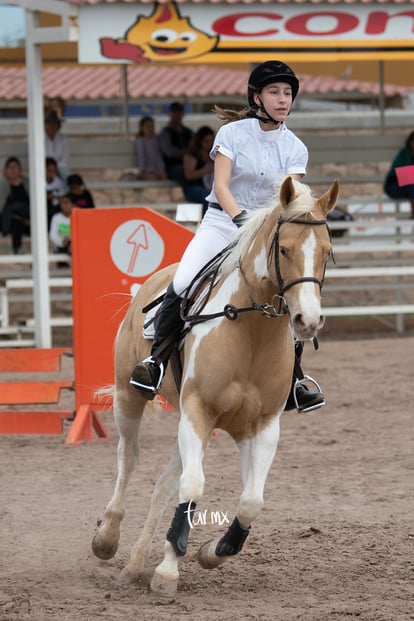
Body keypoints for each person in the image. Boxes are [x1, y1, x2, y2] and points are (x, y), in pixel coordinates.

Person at [129, 60, 325, 414]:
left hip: (266, 235)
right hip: (222, 224)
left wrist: (266, 230)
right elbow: (220, 186)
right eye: (274, 92)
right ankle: (156, 363)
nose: (283, 100)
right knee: (185, 279)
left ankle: (295, 379)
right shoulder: (231, 135)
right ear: (256, 97)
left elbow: (291, 198)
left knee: (290, 292)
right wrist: (240, 219)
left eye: (287, 93)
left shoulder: (296, 147)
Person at [182, 125, 215, 216]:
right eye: (206, 141)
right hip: (194, 187)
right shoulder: (192, 155)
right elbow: (189, 175)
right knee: (205, 198)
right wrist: (206, 170)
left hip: (211, 186)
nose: (209, 144)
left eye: (211, 141)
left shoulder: (214, 154)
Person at [0, 156, 30, 254]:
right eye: (9, 167)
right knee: (16, 222)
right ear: (5, 170)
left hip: (27, 216)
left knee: (17, 207)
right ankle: (17, 249)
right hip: (10, 219)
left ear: (20, 170)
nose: (12, 170)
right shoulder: (2, 184)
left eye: (15, 167)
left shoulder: (27, 183)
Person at [159, 102, 193, 184]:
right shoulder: (165, 132)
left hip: (190, 164)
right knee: (185, 173)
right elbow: (169, 152)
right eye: (175, 112)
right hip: (173, 166)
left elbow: (194, 147)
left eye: (179, 112)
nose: (177, 115)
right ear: (170, 114)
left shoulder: (188, 131)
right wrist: (183, 152)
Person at [384, 131, 414, 218]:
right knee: (412, 183)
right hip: (395, 186)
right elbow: (401, 175)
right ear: (410, 142)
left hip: (410, 189)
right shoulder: (404, 153)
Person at [135, 116, 167, 180]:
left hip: (158, 167)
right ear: (142, 128)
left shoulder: (157, 138)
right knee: (154, 178)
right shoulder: (141, 141)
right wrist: (142, 170)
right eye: (148, 127)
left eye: (152, 126)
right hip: (147, 168)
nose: (151, 129)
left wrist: (162, 169)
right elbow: (142, 156)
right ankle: (141, 176)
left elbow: (159, 155)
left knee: (164, 176)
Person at [44, 109, 70, 183]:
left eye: (54, 123)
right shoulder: (40, 139)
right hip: (44, 168)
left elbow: (64, 158)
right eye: (49, 123)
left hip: (59, 168)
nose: (51, 126)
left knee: (66, 175)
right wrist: (49, 169)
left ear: (58, 125)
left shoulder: (63, 139)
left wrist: (55, 169)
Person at [49, 193, 73, 262]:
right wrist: (61, 241)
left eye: (66, 203)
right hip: (60, 246)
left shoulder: (76, 217)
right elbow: (52, 235)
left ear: (72, 204)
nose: (64, 206)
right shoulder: (56, 217)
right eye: (62, 203)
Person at [46, 157, 66, 228]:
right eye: (49, 170)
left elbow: (64, 196)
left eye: (53, 171)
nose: (51, 173)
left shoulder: (58, 182)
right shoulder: (40, 181)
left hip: (56, 207)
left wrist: (54, 196)